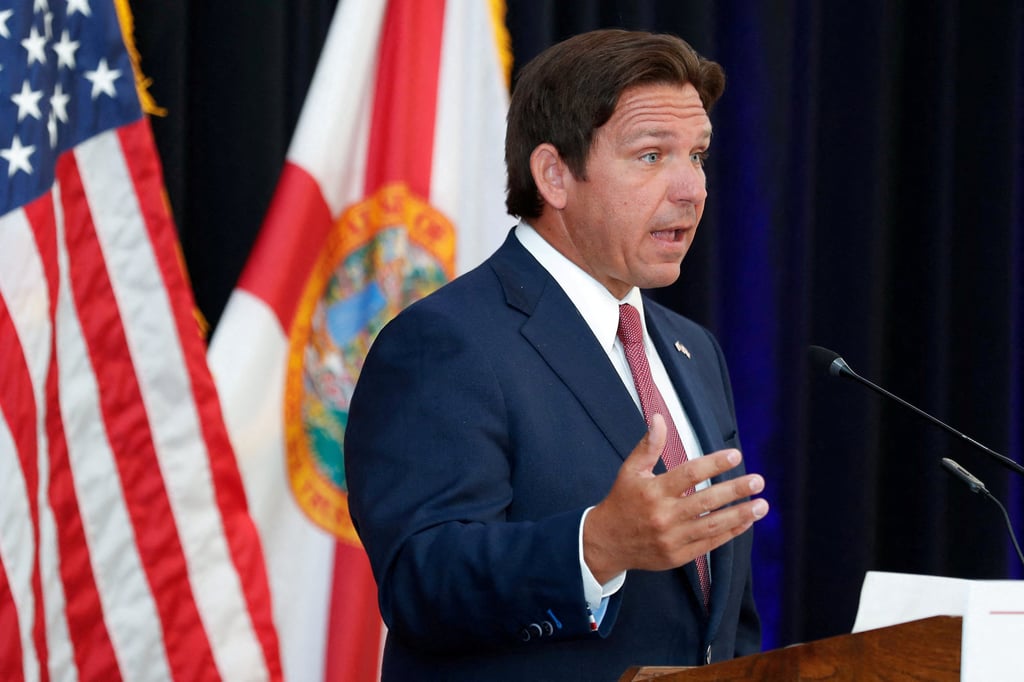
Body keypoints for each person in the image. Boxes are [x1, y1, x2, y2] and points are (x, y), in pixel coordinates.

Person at [344, 28, 770, 681]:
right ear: (554, 175)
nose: (691, 188)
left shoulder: (693, 350)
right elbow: (421, 583)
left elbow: (722, 619)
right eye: (653, 156)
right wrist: (595, 546)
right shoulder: (447, 343)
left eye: (700, 156)